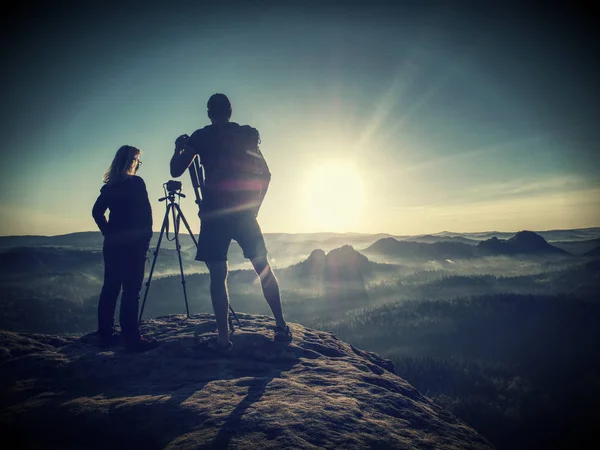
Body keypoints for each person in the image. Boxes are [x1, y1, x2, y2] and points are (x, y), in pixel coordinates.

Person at [170, 93, 292, 352]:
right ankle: (281, 327)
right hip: (244, 212)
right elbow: (266, 174)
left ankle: (224, 340)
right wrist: (254, 207)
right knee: (264, 269)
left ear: (208, 113)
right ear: (230, 111)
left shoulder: (200, 137)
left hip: (214, 213)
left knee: (218, 276)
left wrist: (179, 148)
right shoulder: (246, 136)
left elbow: (176, 170)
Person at [92, 145, 159, 352]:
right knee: (131, 290)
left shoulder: (110, 186)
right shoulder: (136, 183)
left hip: (112, 245)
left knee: (110, 288)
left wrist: (108, 231)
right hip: (133, 245)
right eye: (138, 160)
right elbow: (146, 216)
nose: (139, 164)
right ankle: (131, 338)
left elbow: (96, 212)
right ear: (132, 162)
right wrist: (145, 239)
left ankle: (106, 333)